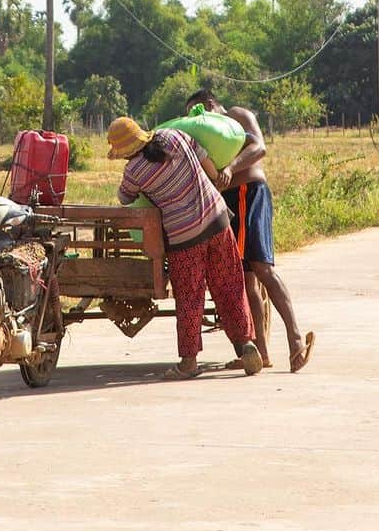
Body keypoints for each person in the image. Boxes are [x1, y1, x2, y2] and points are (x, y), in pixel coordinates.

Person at [108, 115, 263, 381]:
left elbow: (125, 197)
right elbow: (209, 165)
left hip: (184, 237)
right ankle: (246, 345)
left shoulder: (134, 170)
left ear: (123, 152)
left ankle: (189, 362)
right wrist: (210, 181)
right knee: (229, 285)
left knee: (190, 297)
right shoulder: (174, 137)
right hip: (217, 220)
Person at [186, 89, 315, 373]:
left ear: (210, 105)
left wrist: (231, 168)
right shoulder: (204, 137)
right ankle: (261, 350)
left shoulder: (236, 115)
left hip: (248, 193)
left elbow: (259, 147)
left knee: (262, 268)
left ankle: (295, 338)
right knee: (246, 279)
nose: (196, 120)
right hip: (230, 200)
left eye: (197, 112)